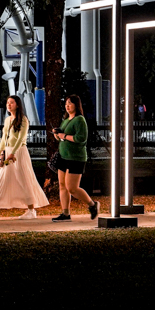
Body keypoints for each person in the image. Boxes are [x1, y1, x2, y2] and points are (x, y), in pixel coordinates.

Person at [0, 95, 49, 220]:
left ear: (17, 105)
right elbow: (3, 139)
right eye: (7, 103)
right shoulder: (7, 120)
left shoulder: (23, 120)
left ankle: (31, 210)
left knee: (25, 179)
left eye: (11, 103)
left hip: (19, 153)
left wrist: (13, 153)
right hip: (9, 152)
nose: (8, 105)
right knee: (2, 179)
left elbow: (21, 139)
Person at [51, 94, 100, 222]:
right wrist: (58, 135)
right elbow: (62, 137)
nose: (67, 106)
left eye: (70, 103)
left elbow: (80, 138)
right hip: (63, 156)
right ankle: (65, 213)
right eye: (66, 103)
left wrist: (64, 136)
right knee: (62, 185)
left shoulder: (80, 120)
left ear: (76, 105)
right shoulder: (66, 120)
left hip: (76, 158)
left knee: (72, 188)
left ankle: (92, 204)